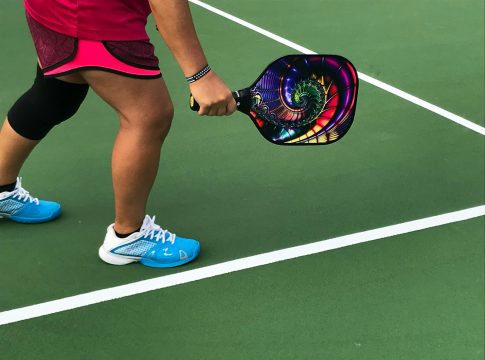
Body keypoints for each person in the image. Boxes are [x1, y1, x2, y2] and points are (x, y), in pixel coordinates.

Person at [0, 0, 237, 268]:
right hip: (97, 16)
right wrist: (200, 75)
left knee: (55, 94)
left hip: (50, 7)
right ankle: (128, 236)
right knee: (148, 116)